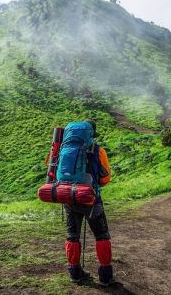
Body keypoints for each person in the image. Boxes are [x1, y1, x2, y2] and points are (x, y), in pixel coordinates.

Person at [63, 119, 114, 286]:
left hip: (68, 197)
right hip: (91, 199)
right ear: (92, 134)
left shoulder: (63, 148)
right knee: (102, 236)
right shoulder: (98, 151)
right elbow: (105, 178)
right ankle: (105, 277)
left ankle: (75, 273)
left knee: (72, 236)